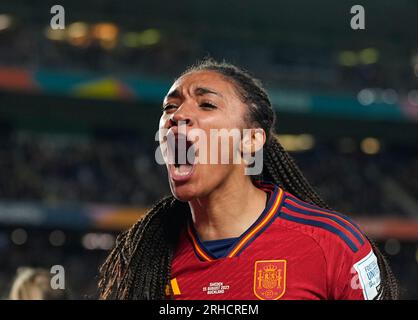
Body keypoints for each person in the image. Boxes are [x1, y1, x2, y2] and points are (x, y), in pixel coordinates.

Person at [98, 59, 398, 300]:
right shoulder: (144, 260)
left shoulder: (333, 244)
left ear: (252, 140)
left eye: (206, 104)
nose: (177, 115)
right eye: (170, 107)